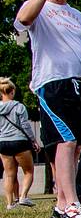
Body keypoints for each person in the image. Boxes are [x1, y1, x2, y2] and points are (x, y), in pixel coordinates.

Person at [14, 0, 81, 218]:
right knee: (65, 140)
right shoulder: (37, 6)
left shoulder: (77, 15)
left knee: (75, 147)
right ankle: (72, 203)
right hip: (53, 82)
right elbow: (23, 20)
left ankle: (62, 204)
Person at [0, 77, 39, 209]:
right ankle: (23, 196)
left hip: (3, 142)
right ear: (12, 92)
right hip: (19, 141)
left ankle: (10, 203)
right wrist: (33, 140)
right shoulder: (19, 106)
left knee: (9, 174)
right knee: (28, 171)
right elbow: (25, 126)